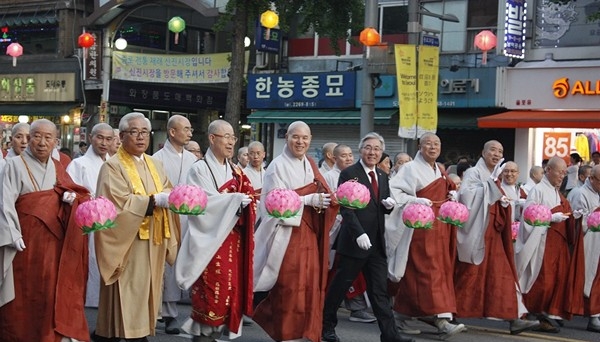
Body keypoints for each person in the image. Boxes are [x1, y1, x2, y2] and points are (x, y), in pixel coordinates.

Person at [0, 118, 91, 341]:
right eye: (37, 136)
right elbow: (4, 203)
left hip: (53, 243)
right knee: (23, 292)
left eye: (47, 137)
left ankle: (48, 335)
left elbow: (74, 193)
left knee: (50, 291)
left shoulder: (58, 167)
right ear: (29, 139)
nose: (41, 142)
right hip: (24, 243)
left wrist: (70, 199)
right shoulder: (13, 165)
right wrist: (11, 234)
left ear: (55, 142)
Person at [93, 112, 180, 342]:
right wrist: (152, 201)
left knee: (146, 290)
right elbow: (114, 204)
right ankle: (133, 335)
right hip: (127, 242)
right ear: (121, 136)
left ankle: (115, 334)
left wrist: (171, 197)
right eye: (134, 132)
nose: (140, 137)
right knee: (128, 290)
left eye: (144, 132)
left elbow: (167, 189)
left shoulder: (155, 164)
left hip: (153, 238)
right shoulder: (112, 166)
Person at [322, 132, 414, 342]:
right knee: (339, 288)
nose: (372, 152)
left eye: (377, 149)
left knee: (379, 293)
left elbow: (381, 206)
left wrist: (388, 206)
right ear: (361, 150)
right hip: (355, 242)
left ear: (381, 152)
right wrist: (359, 233)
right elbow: (346, 208)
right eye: (368, 148)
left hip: (376, 244)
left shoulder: (382, 175)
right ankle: (326, 327)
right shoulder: (349, 173)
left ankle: (390, 336)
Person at [253, 121, 338, 342]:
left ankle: (303, 331)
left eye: (305, 138)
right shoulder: (277, 165)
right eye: (295, 137)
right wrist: (306, 200)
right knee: (288, 285)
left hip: (308, 231)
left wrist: (324, 201)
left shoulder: (310, 163)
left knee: (308, 284)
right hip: (286, 234)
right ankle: (285, 332)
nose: (300, 142)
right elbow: (274, 202)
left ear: (310, 140)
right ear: (287, 137)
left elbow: (321, 191)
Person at [175, 119, 255, 342]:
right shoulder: (199, 169)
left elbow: (250, 198)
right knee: (212, 289)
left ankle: (215, 331)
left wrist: (244, 201)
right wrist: (235, 199)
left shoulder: (236, 171)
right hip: (210, 240)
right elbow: (202, 203)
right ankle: (202, 333)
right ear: (212, 138)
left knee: (230, 289)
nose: (231, 142)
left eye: (233, 138)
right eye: (226, 137)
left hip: (233, 239)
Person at [386, 133, 463, 338]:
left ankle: (400, 315)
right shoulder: (410, 169)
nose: (432, 147)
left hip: (440, 228)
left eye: (436, 144)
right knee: (427, 271)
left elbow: (446, 189)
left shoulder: (440, 169)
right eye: (428, 143)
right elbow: (395, 193)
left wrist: (451, 194)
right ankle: (441, 320)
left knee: (434, 271)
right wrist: (415, 200)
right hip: (419, 228)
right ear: (420, 146)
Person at [455, 150, 538, 335]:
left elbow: (499, 199)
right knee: (468, 275)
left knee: (503, 276)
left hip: (495, 234)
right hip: (477, 233)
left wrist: (505, 202)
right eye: (492, 150)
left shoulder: (498, 174)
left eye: (500, 151)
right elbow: (466, 198)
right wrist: (488, 186)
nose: (496, 154)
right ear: (483, 153)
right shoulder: (473, 173)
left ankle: (515, 317)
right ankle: (449, 312)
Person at [515, 156, 585, 333]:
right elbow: (529, 217)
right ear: (548, 171)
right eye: (559, 172)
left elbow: (566, 212)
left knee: (556, 280)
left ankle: (544, 314)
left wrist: (574, 216)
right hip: (543, 242)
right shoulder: (538, 190)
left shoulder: (557, 193)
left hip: (557, 244)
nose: (562, 176)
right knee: (542, 280)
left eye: (564, 173)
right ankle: (531, 313)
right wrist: (549, 217)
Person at [153, 114, 197, 335]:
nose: (190, 132)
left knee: (179, 264)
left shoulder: (192, 160)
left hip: (187, 218)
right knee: (162, 265)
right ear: (172, 132)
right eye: (186, 129)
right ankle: (159, 312)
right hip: (165, 215)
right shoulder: (156, 158)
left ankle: (170, 312)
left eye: (190, 129)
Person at [324, 144, 376, 324]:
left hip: (357, 230)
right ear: (333, 157)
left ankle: (356, 307)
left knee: (353, 274)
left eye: (350, 155)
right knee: (340, 273)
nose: (348, 158)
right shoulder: (329, 177)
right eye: (343, 155)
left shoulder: (358, 174)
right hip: (337, 228)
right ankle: (341, 310)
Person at [66, 123, 114, 309]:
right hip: (87, 223)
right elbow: (70, 192)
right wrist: (87, 201)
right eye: (99, 137)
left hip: (111, 222)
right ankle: (89, 303)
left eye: (108, 139)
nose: (103, 143)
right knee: (90, 262)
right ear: (90, 137)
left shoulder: (114, 163)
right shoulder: (78, 164)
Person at [568, 165, 600, 333]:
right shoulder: (581, 194)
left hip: (597, 242)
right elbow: (577, 221)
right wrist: (595, 217)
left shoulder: (596, 192)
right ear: (592, 178)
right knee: (589, 279)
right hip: (587, 242)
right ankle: (593, 316)